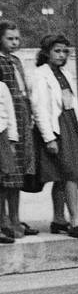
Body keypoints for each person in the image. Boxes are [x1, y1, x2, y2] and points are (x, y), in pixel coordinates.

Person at [27, 35, 78, 239]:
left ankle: (59, 218)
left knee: (64, 176)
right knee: (70, 173)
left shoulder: (65, 74)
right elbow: (39, 108)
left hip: (69, 124)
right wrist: (48, 138)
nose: (61, 55)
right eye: (57, 51)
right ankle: (75, 219)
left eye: (64, 51)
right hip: (55, 127)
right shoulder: (40, 75)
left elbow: (71, 102)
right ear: (46, 52)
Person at [0, 21, 37, 240]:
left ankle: (15, 217)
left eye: (17, 38)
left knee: (18, 175)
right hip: (7, 122)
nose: (15, 42)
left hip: (21, 121)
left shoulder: (15, 61)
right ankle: (3, 219)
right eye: (9, 38)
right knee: (5, 175)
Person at [0, 79, 16, 243]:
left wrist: (12, 140)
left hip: (1, 135)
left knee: (3, 181)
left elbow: (9, 114)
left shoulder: (2, 86)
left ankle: (3, 220)